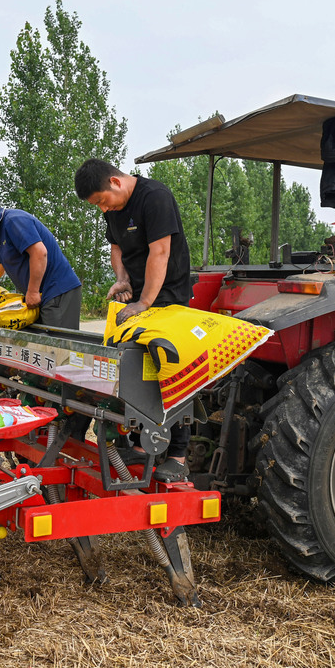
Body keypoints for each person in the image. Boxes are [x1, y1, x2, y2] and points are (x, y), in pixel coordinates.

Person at [74, 158, 193, 482]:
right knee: (137, 370)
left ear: (115, 182)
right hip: (138, 299)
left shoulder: (155, 197)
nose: (103, 209)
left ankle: (178, 455)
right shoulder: (113, 210)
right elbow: (116, 248)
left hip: (168, 297)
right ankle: (141, 446)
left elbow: (160, 253)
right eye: (97, 205)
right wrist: (123, 279)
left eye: (102, 200)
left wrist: (145, 302)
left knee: (169, 370)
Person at [0, 194, 83, 329]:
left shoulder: (13, 221)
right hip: (39, 297)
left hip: (58, 291)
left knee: (57, 340)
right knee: (39, 340)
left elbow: (39, 253)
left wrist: (32, 291)